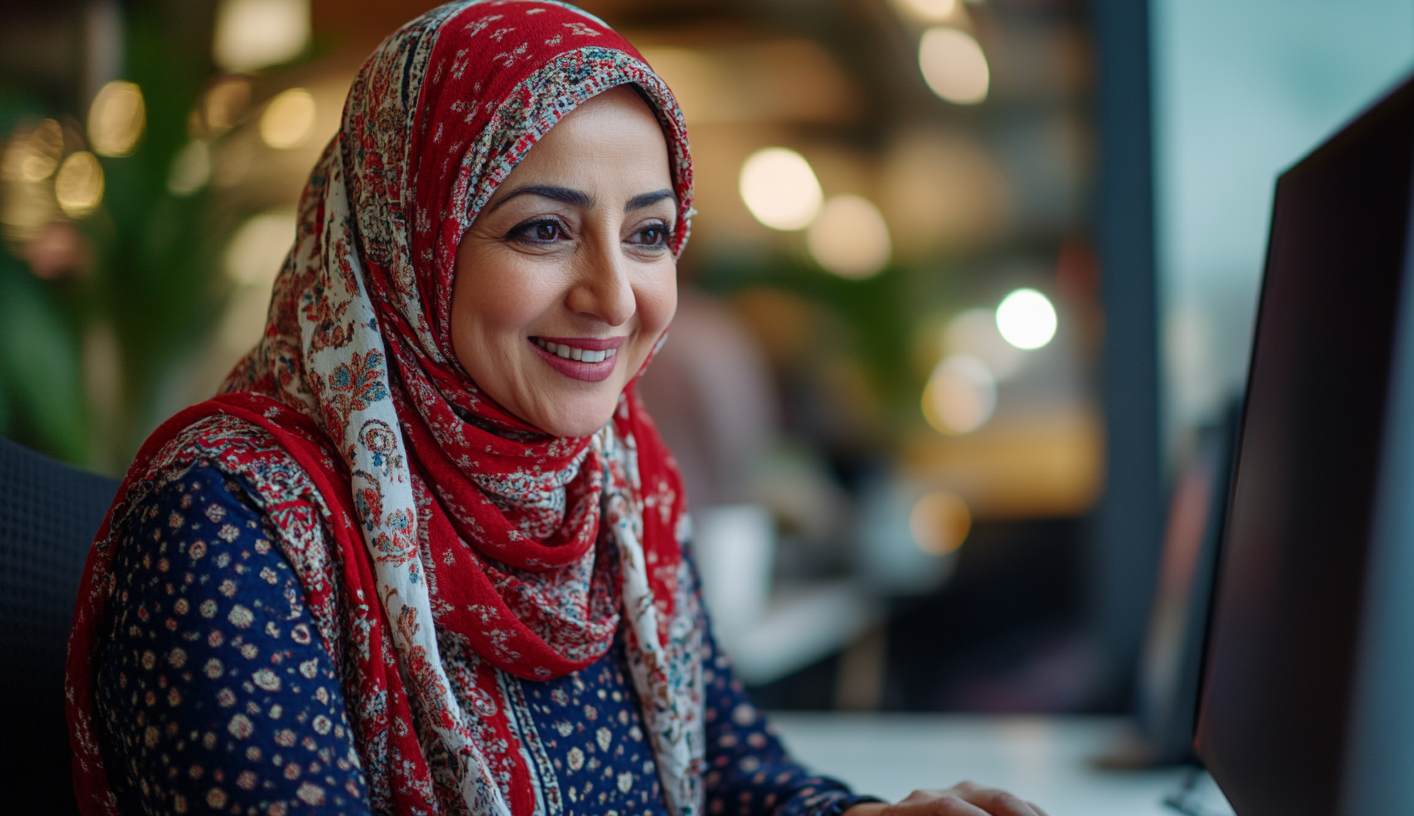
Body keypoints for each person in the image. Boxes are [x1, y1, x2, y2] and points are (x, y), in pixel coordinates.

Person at [64, 3, 1049, 815]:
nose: (615, 297)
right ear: (406, 242)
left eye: (650, 234)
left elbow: (727, 776)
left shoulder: (618, 483)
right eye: (541, 229)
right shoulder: (228, 526)